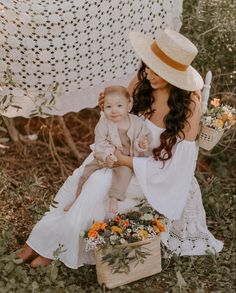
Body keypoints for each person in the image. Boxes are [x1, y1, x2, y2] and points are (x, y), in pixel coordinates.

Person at [17, 28, 223, 269]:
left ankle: (49, 248)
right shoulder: (141, 83)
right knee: (80, 176)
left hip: (151, 174)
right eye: (149, 66)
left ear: (176, 76)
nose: (150, 74)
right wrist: (109, 109)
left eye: (159, 71)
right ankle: (38, 241)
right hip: (120, 154)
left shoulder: (188, 108)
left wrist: (125, 161)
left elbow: (178, 167)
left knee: (97, 183)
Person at [64, 85, 152, 213]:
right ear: (103, 107)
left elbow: (145, 137)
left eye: (119, 106)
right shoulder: (104, 123)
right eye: (109, 106)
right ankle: (77, 200)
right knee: (86, 172)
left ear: (129, 105)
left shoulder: (137, 122)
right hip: (106, 155)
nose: (114, 110)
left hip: (125, 158)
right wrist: (106, 155)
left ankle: (114, 198)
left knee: (124, 174)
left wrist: (142, 143)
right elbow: (100, 142)